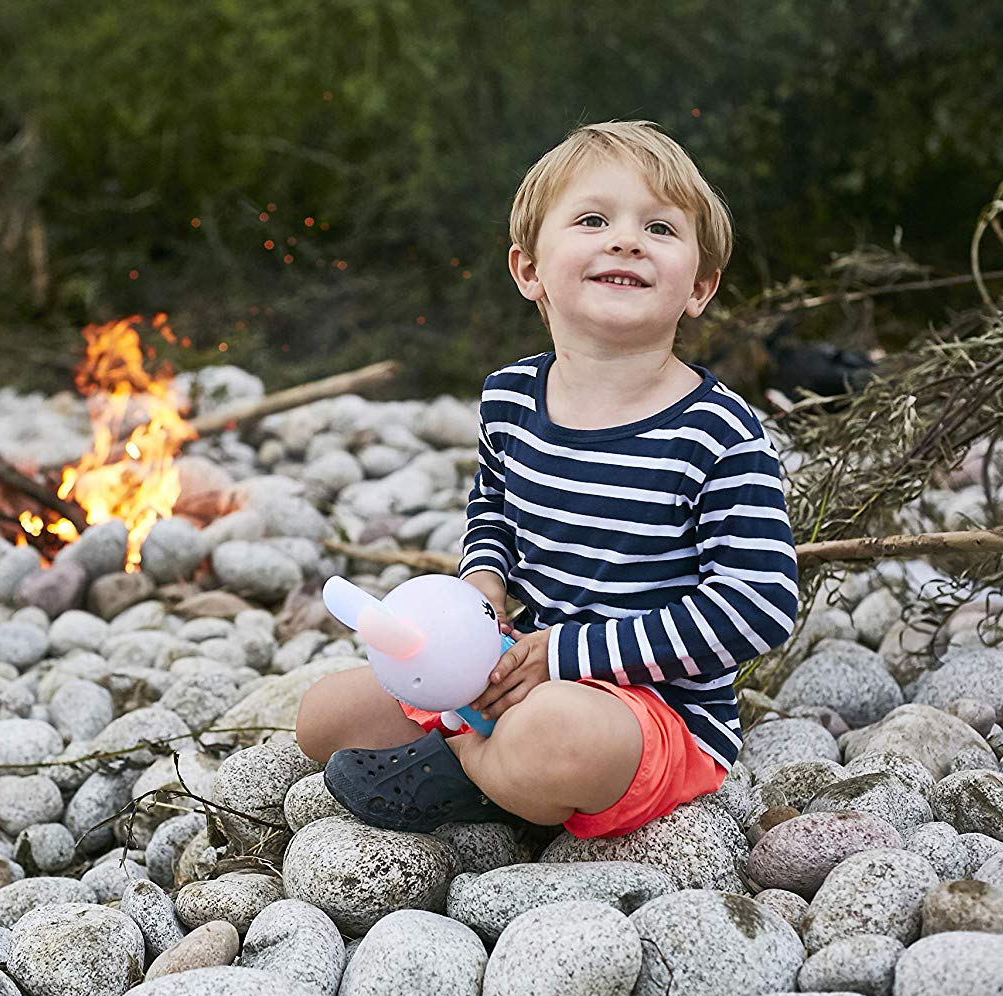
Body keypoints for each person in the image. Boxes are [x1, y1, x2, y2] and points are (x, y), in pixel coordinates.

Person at [295, 120, 799, 838]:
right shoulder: (510, 399)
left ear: (701, 286)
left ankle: (476, 768)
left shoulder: (717, 432)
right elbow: (493, 509)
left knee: (556, 733)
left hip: (647, 710)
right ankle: (497, 763)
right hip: (510, 667)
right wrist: (483, 586)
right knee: (324, 719)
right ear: (529, 269)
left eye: (659, 228)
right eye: (593, 220)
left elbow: (760, 603)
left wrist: (566, 656)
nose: (625, 240)